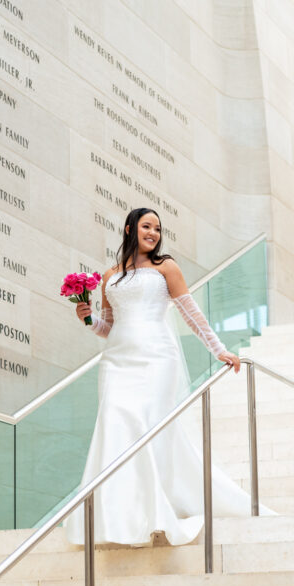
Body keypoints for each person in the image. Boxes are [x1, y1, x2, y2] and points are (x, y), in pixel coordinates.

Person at [64, 207, 256, 547]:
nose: (153, 232)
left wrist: (219, 349)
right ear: (128, 229)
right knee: (115, 424)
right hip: (117, 360)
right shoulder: (110, 276)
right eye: (146, 226)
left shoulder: (165, 267)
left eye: (157, 228)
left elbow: (190, 312)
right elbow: (108, 328)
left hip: (157, 358)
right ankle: (117, 515)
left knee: (146, 425)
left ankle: (155, 512)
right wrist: (87, 318)